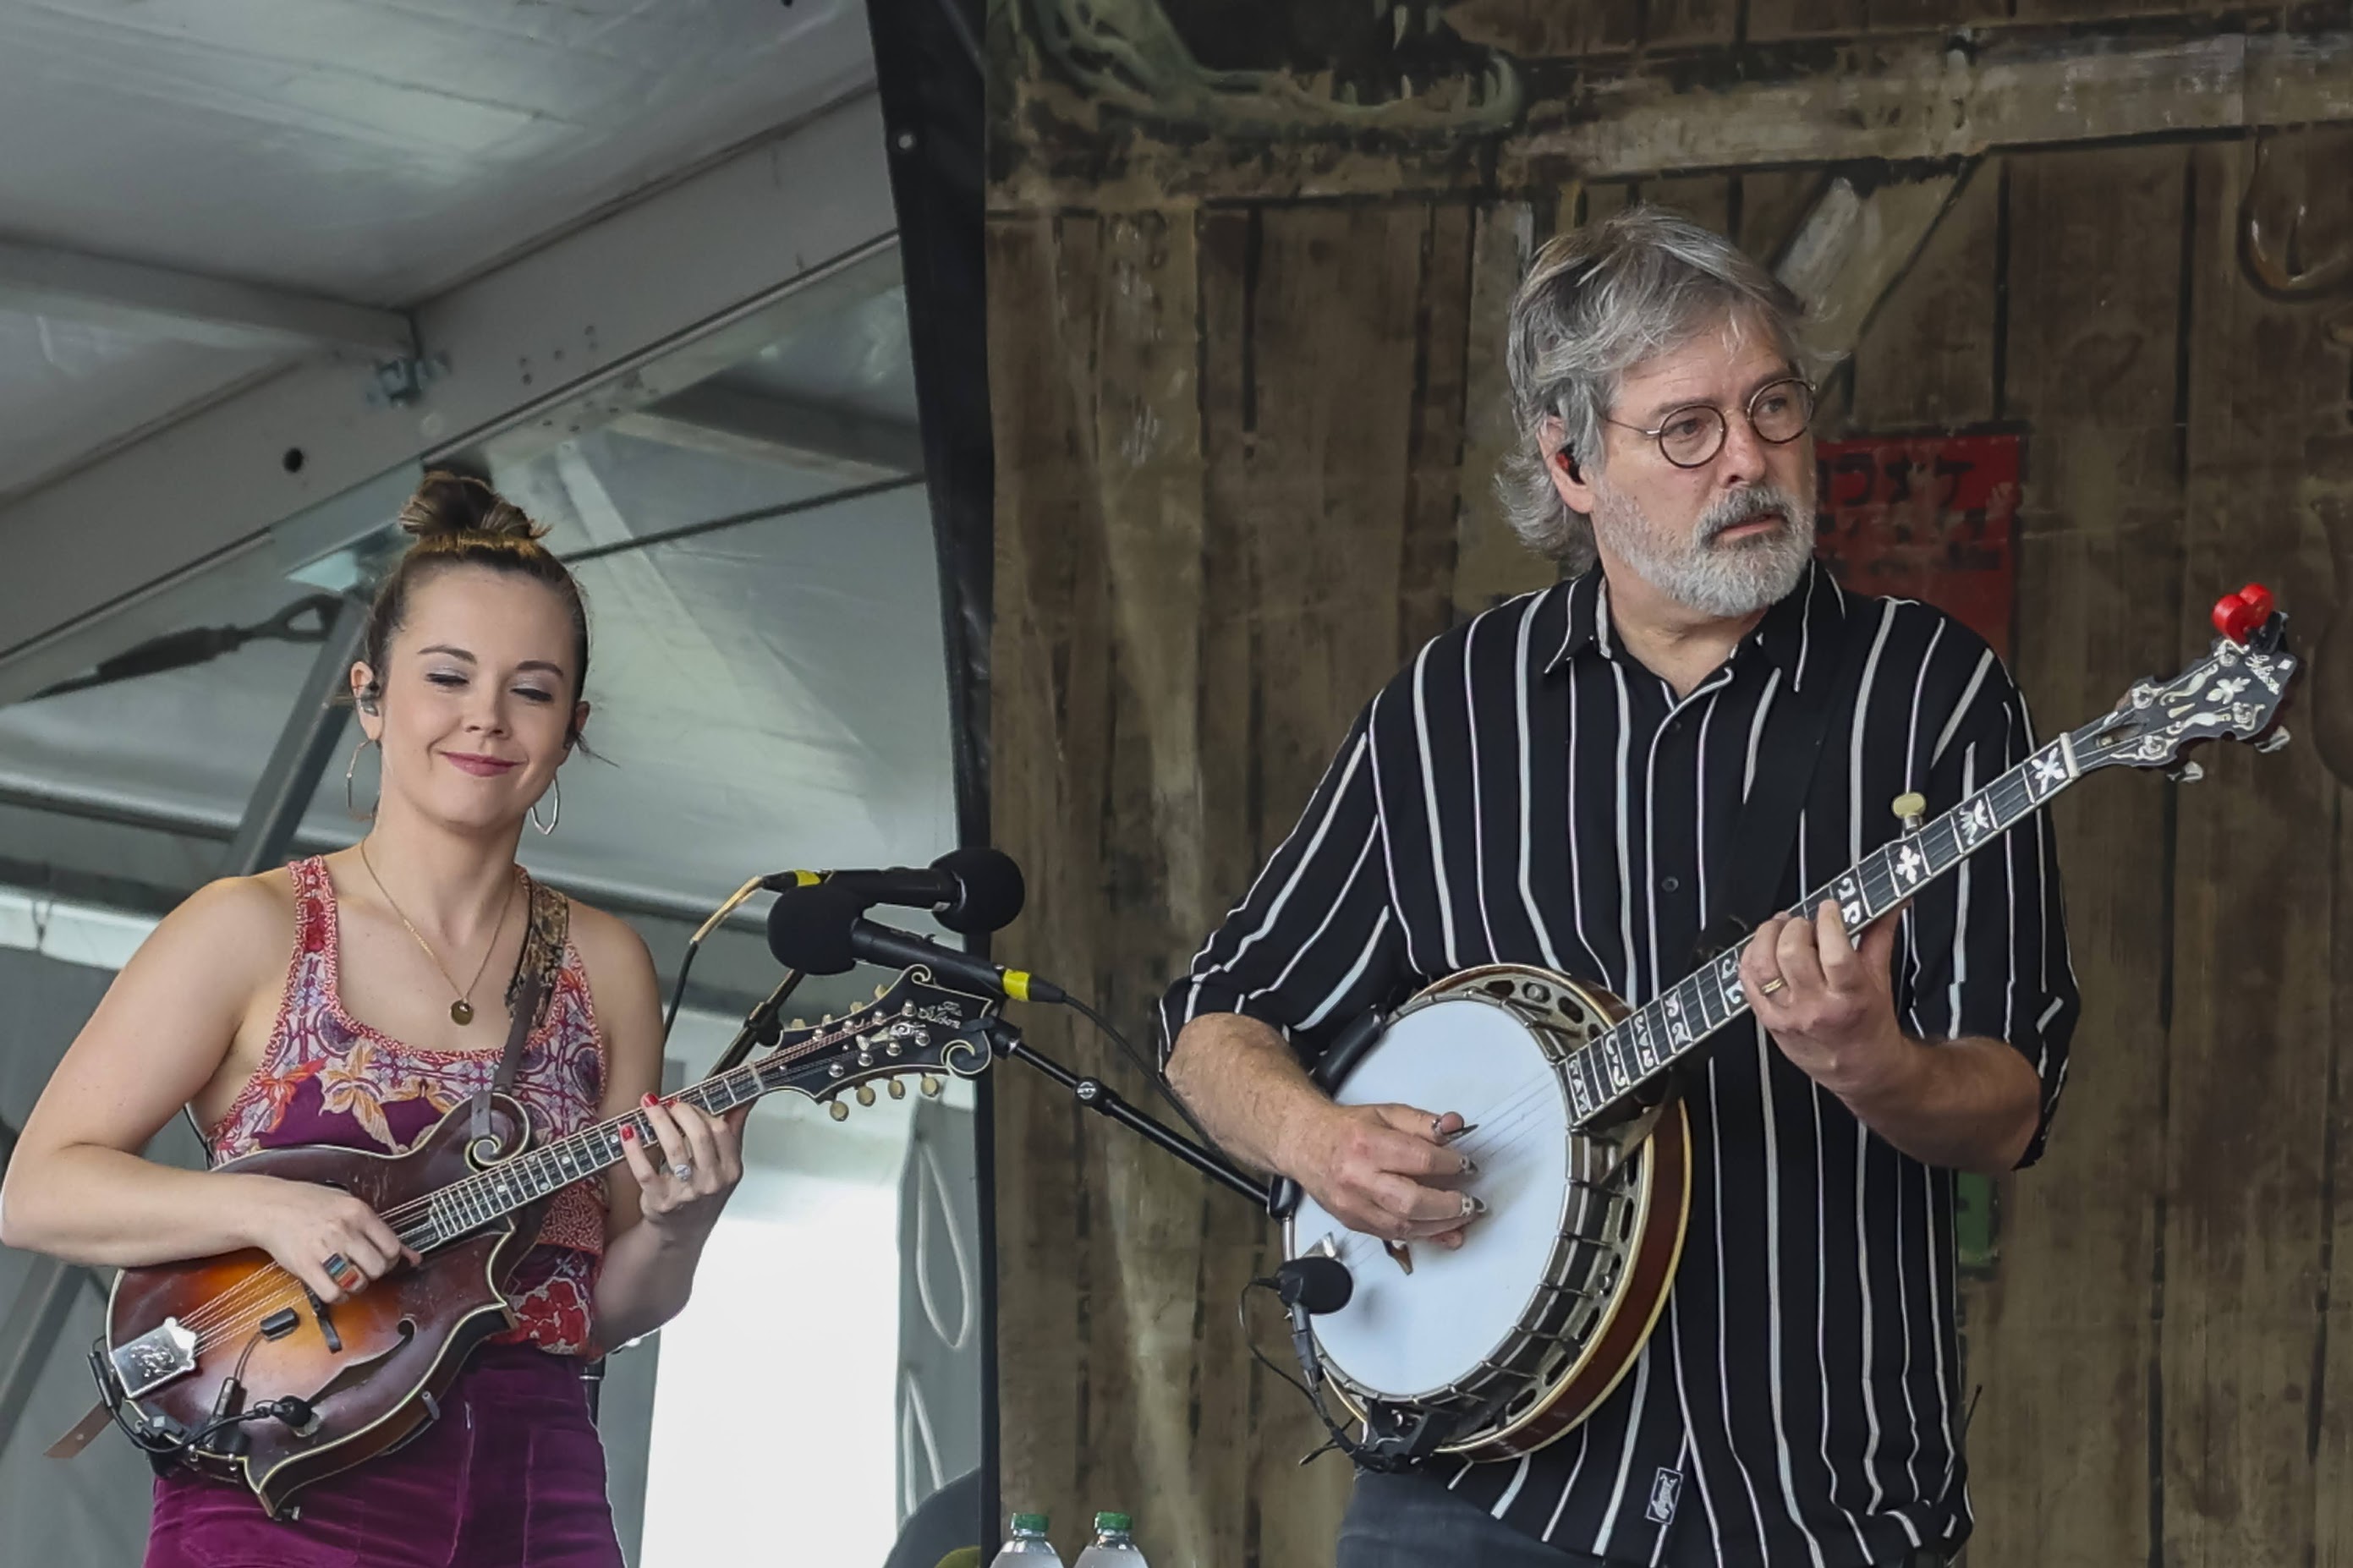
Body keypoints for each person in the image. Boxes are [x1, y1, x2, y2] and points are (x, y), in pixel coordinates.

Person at [1158, 207, 2078, 1568]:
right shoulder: (1452, 709)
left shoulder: (1927, 692)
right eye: (1688, 428)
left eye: (1772, 406)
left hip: (1813, 1495)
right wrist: (1318, 1144)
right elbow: (1214, 1022)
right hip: (1482, 1495)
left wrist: (1871, 1062)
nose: (1752, 460)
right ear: (1570, 459)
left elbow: (2010, 1100)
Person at [0, 474, 749, 1567]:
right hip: (285, 1495)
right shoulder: (249, 930)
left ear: (572, 727)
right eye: (447, 676)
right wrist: (270, 1211)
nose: (485, 716)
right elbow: (38, 1187)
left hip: (537, 1491)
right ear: (369, 695)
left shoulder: (606, 964)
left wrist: (683, 1225)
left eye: (531, 690)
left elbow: (596, 1308)